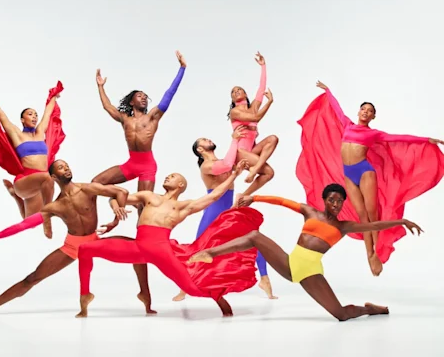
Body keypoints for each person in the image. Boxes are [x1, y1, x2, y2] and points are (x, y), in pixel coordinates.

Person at [188, 184, 424, 322]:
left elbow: (373, 226)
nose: (336, 204)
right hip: (291, 264)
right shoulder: (310, 212)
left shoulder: (343, 227)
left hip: (310, 270)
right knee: (254, 237)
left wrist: (401, 221)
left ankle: (371, 309)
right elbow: (282, 201)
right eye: (332, 199)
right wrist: (254, 197)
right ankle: (211, 252)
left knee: (341, 315)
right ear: (324, 200)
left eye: (340, 201)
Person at [75, 159, 265, 318]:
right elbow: (117, 196)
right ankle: (85, 296)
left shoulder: (183, 206)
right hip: (138, 248)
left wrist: (235, 174)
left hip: (161, 251)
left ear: (180, 185)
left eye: (173, 176)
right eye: (168, 175)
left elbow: (215, 195)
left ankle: (218, 297)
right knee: (85, 249)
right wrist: (115, 205)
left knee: (191, 289)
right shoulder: (148, 196)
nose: (168, 176)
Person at [0, 159, 153, 317]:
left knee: (138, 249)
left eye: (67, 165)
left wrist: (115, 218)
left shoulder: (88, 189)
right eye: (61, 167)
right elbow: (23, 225)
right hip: (72, 247)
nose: (67, 168)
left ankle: (144, 293)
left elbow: (121, 192)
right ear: (54, 177)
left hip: (94, 241)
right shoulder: (55, 206)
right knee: (32, 278)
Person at [296, 81, 444, 275]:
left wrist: (426, 140)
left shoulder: (374, 134)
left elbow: (399, 138)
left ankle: (377, 252)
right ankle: (369, 254)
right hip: (348, 174)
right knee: (361, 216)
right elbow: (337, 110)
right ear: (359, 112)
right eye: (363, 109)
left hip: (365, 171)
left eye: (370, 111)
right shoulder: (348, 125)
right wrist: (328, 91)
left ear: (373, 117)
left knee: (372, 213)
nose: (365, 112)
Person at [171, 129, 276, 302]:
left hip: (230, 209)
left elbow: (235, 168)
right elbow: (227, 166)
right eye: (203, 140)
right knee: (199, 247)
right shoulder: (207, 166)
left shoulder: (223, 161)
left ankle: (265, 280)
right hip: (213, 211)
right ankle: (184, 287)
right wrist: (234, 141)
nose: (208, 138)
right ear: (200, 150)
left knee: (254, 241)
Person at [91, 51, 186, 209]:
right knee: (96, 183)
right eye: (139, 96)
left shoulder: (152, 117)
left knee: (142, 206)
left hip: (147, 166)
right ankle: (119, 195)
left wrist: (182, 68)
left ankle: (142, 230)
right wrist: (100, 87)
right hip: (131, 164)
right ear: (131, 102)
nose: (143, 98)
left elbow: (170, 93)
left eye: (145, 97)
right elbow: (107, 106)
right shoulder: (124, 119)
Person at [0, 80, 65, 218]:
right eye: (30, 114)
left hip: (40, 183)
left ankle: (15, 196)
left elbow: (48, 112)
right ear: (22, 120)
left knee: (29, 219)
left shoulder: (40, 132)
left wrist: (54, 95)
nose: (34, 116)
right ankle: (49, 212)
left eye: (35, 114)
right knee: (49, 177)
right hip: (25, 181)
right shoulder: (17, 135)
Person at [227, 52, 278, 198]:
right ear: (232, 99)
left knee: (273, 139)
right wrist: (269, 103)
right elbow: (256, 117)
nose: (236, 91)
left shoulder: (253, 106)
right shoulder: (234, 112)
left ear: (245, 94)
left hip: (251, 152)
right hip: (240, 153)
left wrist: (263, 66)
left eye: (239, 89)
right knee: (268, 171)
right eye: (233, 92)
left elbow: (261, 88)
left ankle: (243, 195)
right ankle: (255, 169)